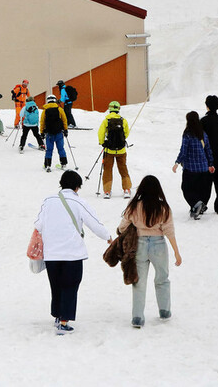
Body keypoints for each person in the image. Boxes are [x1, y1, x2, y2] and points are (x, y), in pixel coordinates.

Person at [33, 170, 112, 335]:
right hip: (72, 253)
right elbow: (94, 223)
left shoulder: (48, 201)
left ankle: (57, 315)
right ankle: (64, 322)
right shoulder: (79, 202)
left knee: (56, 285)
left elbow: (38, 224)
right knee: (70, 285)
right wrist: (108, 237)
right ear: (77, 187)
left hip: (51, 253)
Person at [118, 175, 182, 328]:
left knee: (139, 282)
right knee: (162, 278)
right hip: (158, 244)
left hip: (139, 244)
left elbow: (122, 227)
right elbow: (169, 230)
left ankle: (137, 318)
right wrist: (176, 252)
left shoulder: (134, 206)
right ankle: (164, 311)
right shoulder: (163, 207)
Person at [172, 111, 215, 219]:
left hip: (190, 168)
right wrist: (211, 163)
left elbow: (184, 151)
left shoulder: (188, 134)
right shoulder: (203, 134)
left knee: (186, 188)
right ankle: (199, 206)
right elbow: (208, 150)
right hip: (203, 167)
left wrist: (177, 162)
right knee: (201, 189)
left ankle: (196, 205)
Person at [201, 95, 218, 215]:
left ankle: (201, 205)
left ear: (207, 106)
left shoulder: (203, 121)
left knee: (204, 183)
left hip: (207, 157)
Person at [97, 101, 132, 199]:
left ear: (109, 109)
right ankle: (126, 189)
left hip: (109, 150)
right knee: (123, 169)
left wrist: (103, 142)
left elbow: (100, 133)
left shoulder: (106, 120)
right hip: (121, 150)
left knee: (107, 170)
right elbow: (126, 133)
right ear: (118, 109)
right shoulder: (123, 120)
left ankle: (107, 191)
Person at [40, 95, 69, 172]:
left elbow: (42, 122)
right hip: (59, 132)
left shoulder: (45, 111)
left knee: (49, 150)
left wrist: (42, 132)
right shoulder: (59, 109)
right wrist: (65, 129)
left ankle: (48, 165)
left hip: (49, 134)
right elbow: (64, 120)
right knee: (61, 148)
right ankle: (63, 163)